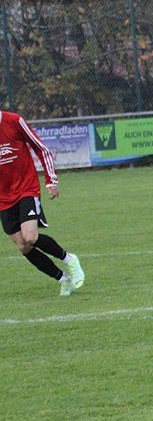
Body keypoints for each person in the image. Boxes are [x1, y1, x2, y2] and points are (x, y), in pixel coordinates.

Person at [0, 110, 85, 296]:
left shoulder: (14, 121)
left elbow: (41, 148)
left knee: (30, 237)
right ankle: (64, 280)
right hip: (3, 197)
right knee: (23, 246)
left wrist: (51, 180)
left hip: (26, 188)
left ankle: (69, 259)